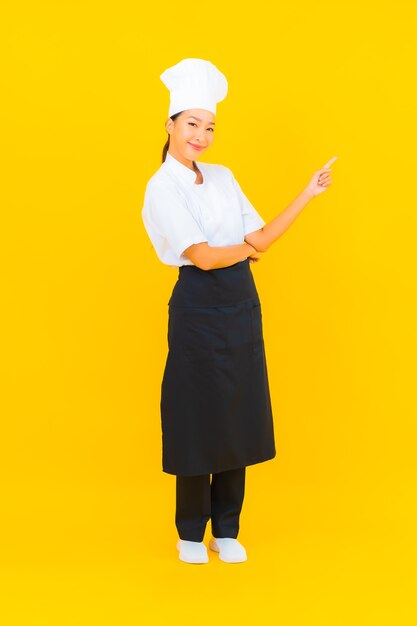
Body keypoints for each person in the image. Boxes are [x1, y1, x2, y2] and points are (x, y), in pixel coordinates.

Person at [141, 57, 337, 564]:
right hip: (197, 309)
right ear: (170, 125)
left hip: (241, 306)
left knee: (237, 414)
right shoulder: (161, 187)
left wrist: (307, 194)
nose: (202, 135)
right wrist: (243, 249)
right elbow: (202, 256)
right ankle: (190, 534)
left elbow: (261, 240)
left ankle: (227, 528)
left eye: (209, 126)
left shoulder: (224, 177)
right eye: (192, 124)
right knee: (195, 416)